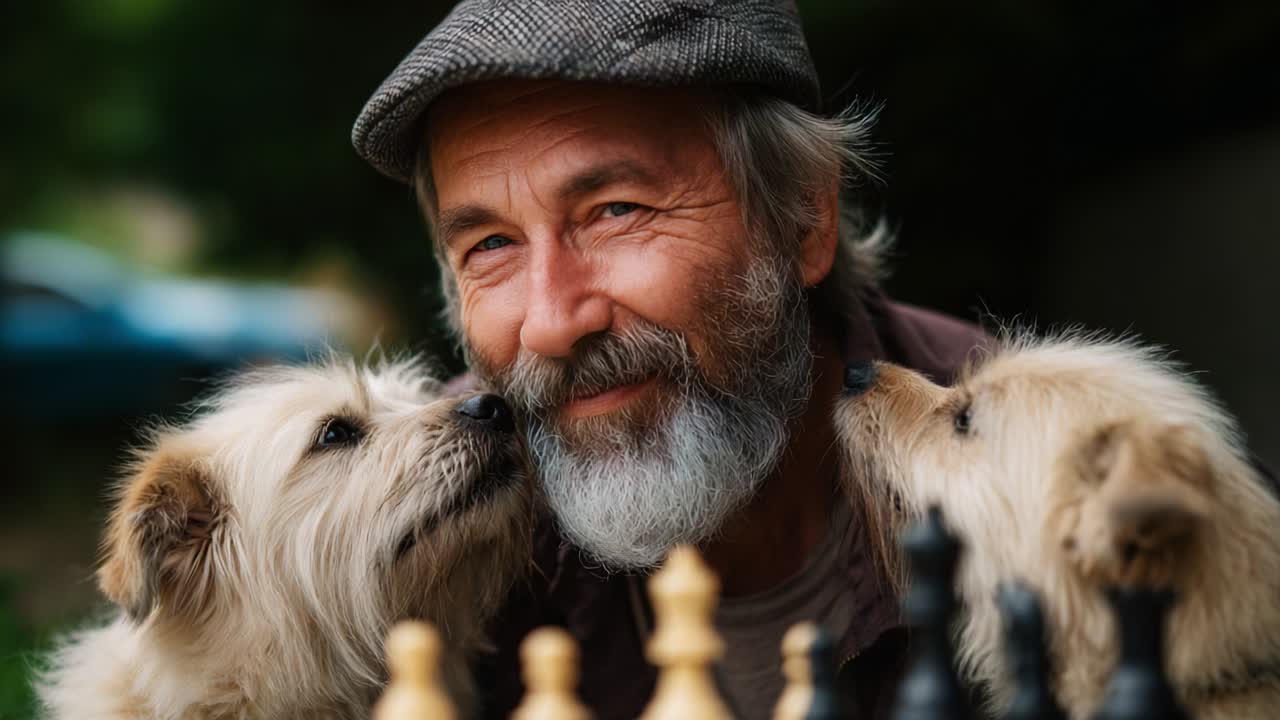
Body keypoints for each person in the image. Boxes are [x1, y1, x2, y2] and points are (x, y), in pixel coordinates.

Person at [352, 2, 988, 718]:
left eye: (616, 210)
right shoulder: (422, 522)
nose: (553, 323)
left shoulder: (1048, 464)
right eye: (491, 245)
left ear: (806, 218)